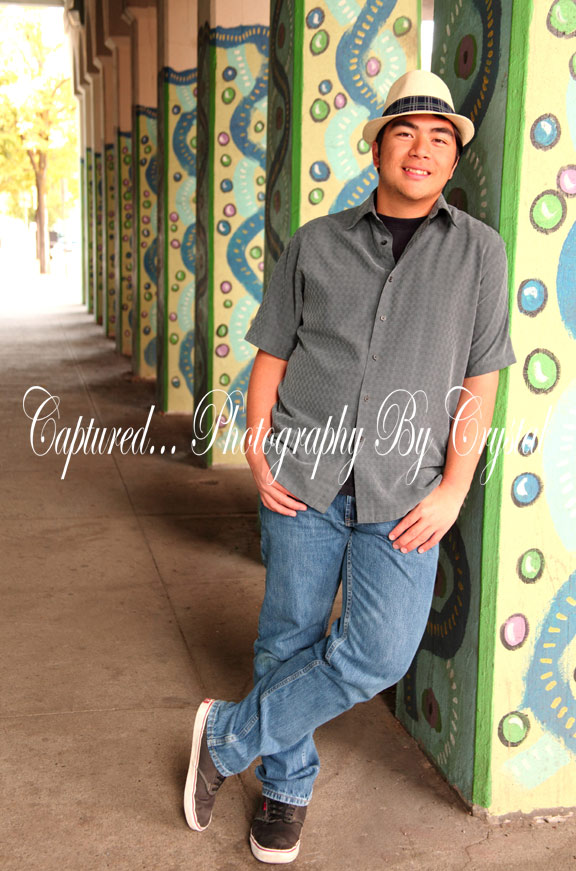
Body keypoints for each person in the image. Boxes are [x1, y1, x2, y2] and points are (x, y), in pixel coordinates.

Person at [183, 69, 516, 864]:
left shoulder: (479, 252)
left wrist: (454, 488)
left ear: (452, 159)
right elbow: (272, 354)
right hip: (304, 473)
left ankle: (226, 736)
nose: (421, 149)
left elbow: (481, 380)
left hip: (407, 488)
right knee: (287, 637)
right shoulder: (317, 242)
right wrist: (257, 446)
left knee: (379, 652)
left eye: (438, 138)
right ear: (377, 148)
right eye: (405, 132)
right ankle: (286, 789)